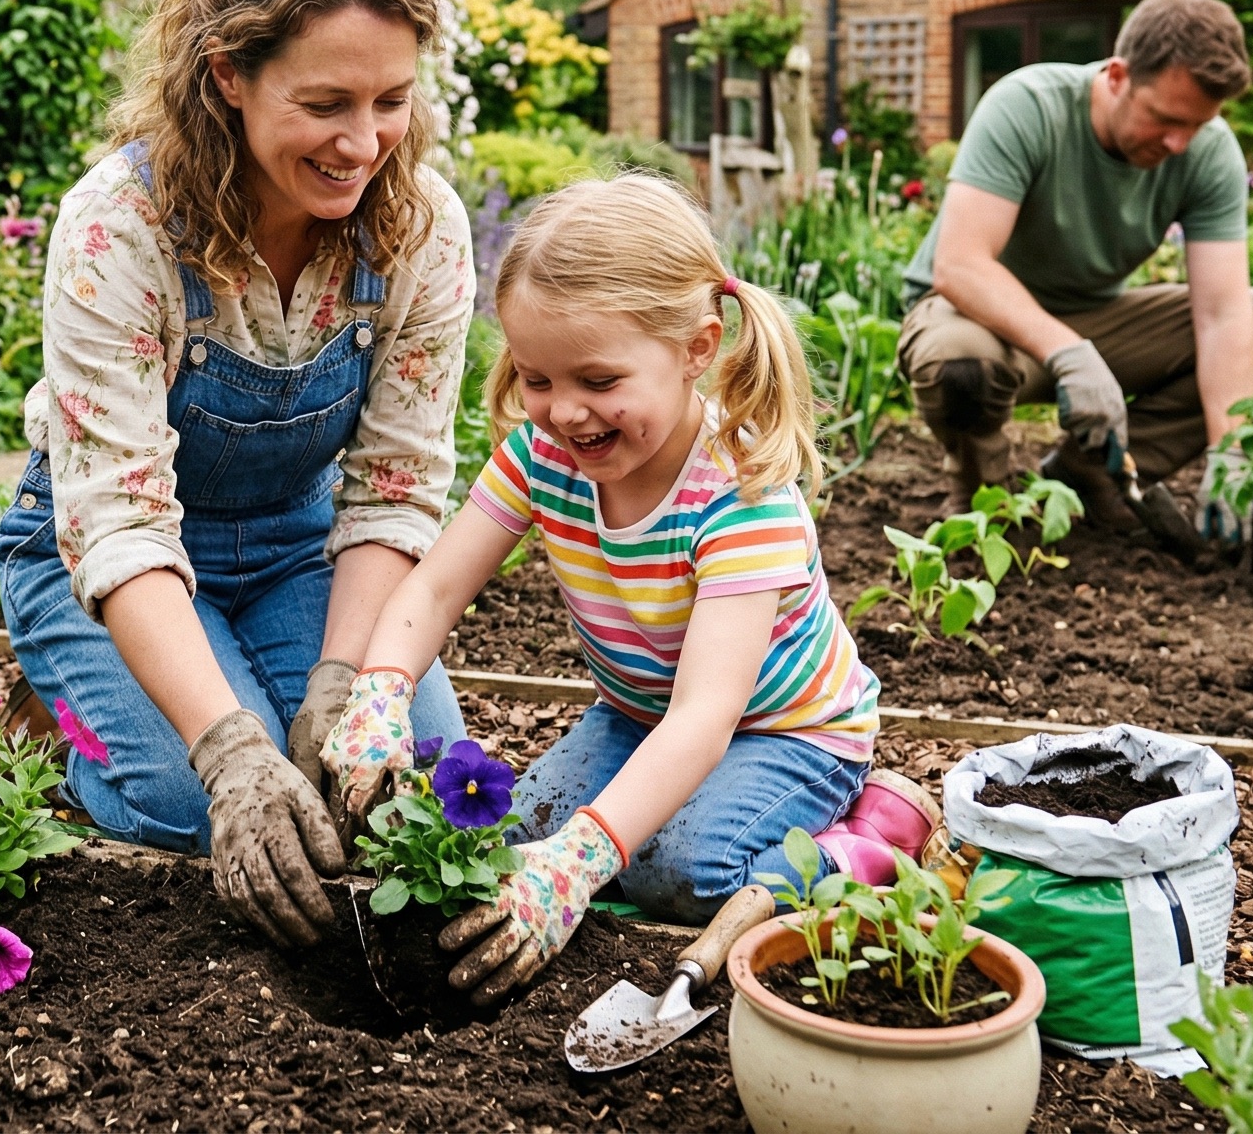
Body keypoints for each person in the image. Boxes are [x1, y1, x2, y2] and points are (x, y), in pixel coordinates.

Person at [0, 0, 473, 948]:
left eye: (389, 100)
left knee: (402, 796)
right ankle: (64, 720)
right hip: (102, 558)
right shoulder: (120, 227)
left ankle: (253, 691)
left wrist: (346, 682)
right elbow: (115, 521)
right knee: (197, 808)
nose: (363, 143)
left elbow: (394, 484)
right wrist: (231, 755)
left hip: (303, 548)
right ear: (227, 77)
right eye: (323, 104)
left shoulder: (419, 228)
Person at [318, 174, 936, 1005]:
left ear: (696, 348)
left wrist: (583, 861)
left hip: (789, 731)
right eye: (537, 379)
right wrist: (381, 692)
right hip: (641, 714)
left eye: (599, 382)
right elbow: (432, 593)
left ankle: (869, 841)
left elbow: (706, 717)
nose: (566, 413)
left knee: (678, 873)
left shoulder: (738, 495)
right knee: (516, 836)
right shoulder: (546, 460)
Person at [898, 0, 1253, 547]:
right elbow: (960, 266)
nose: (1180, 143)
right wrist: (1066, 350)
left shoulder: (1208, 150)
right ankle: (989, 503)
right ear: (1118, 75)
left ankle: (1090, 479)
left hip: (1098, 317)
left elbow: (1223, 312)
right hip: (976, 319)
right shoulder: (1028, 105)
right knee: (959, 366)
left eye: (1196, 126)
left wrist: (1233, 448)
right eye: (1165, 119)